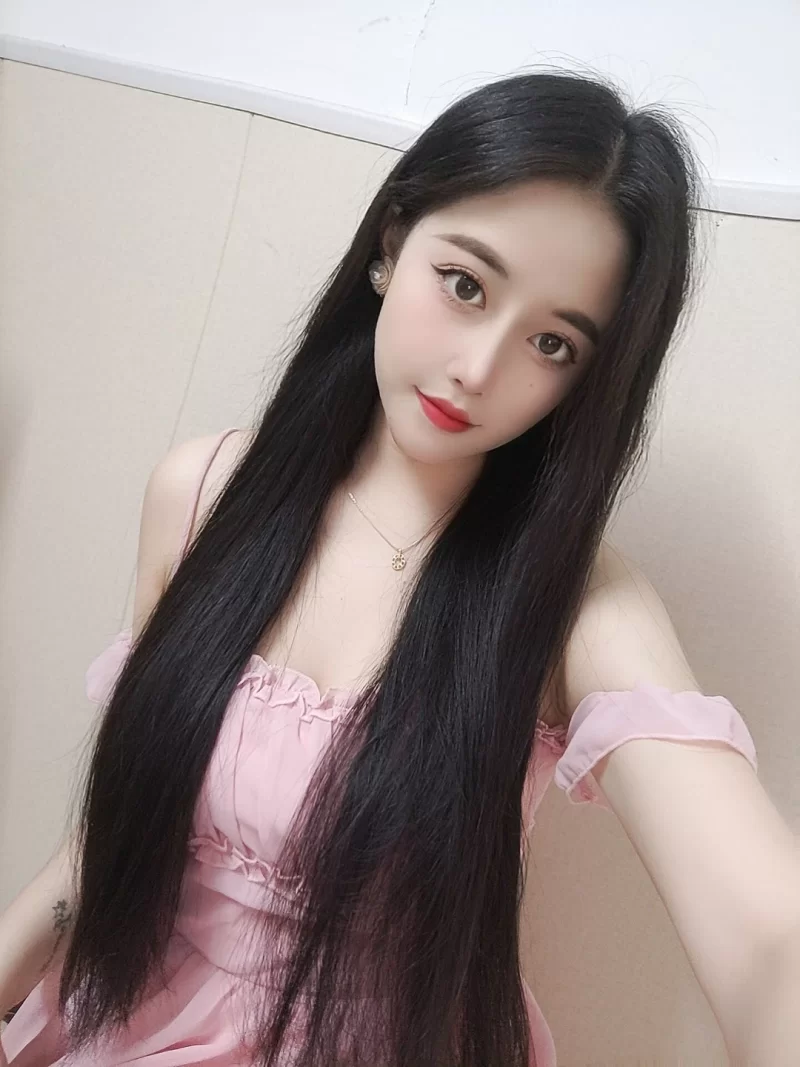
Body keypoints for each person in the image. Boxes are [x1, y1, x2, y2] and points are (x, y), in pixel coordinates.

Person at [1, 68, 798, 1067]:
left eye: (552, 343)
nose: (479, 367)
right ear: (391, 242)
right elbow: (112, 839)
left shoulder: (572, 606)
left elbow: (768, 939)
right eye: (464, 284)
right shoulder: (201, 496)